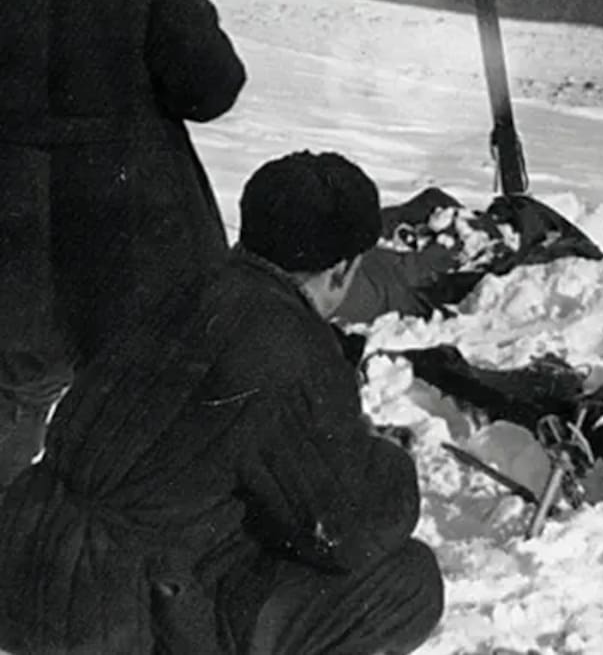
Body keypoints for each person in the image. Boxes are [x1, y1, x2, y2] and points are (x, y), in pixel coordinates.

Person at [0, 152, 445, 654]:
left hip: (26, 559)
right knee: (408, 582)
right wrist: (388, 461)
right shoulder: (288, 339)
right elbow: (347, 530)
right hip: (112, 614)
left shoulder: (177, 288)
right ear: (341, 270)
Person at [0, 0, 246, 487]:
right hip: (129, 232)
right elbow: (210, 87)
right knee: (139, 421)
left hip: (14, 222)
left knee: (13, 397)